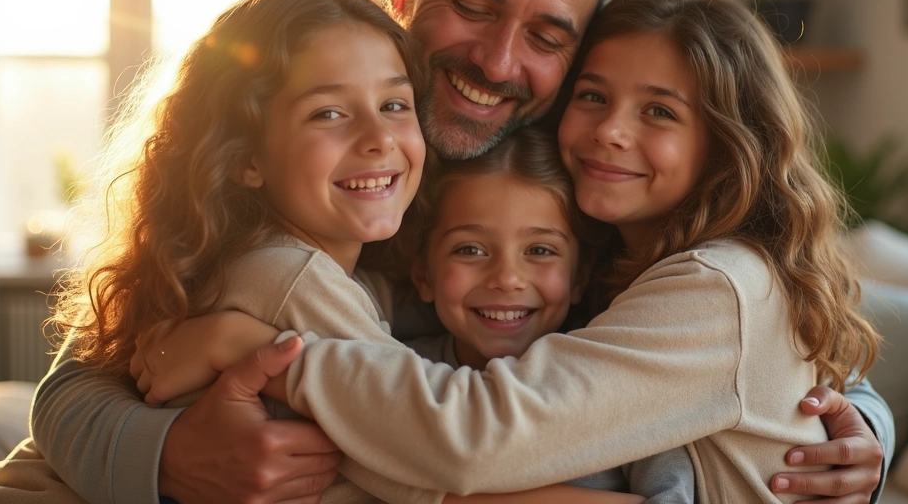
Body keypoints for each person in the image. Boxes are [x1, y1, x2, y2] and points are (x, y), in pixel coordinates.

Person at [30, 0, 894, 503]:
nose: (497, 61)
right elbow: (88, 372)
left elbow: (775, 361)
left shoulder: (582, 173)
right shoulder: (302, 166)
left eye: (549, 36)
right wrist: (164, 452)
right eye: (475, 6)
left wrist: (867, 432)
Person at [141, 128, 700, 504]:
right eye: (469, 250)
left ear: (580, 277)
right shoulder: (381, 370)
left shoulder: (617, 385)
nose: (507, 277)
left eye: (541, 250)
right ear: (423, 275)